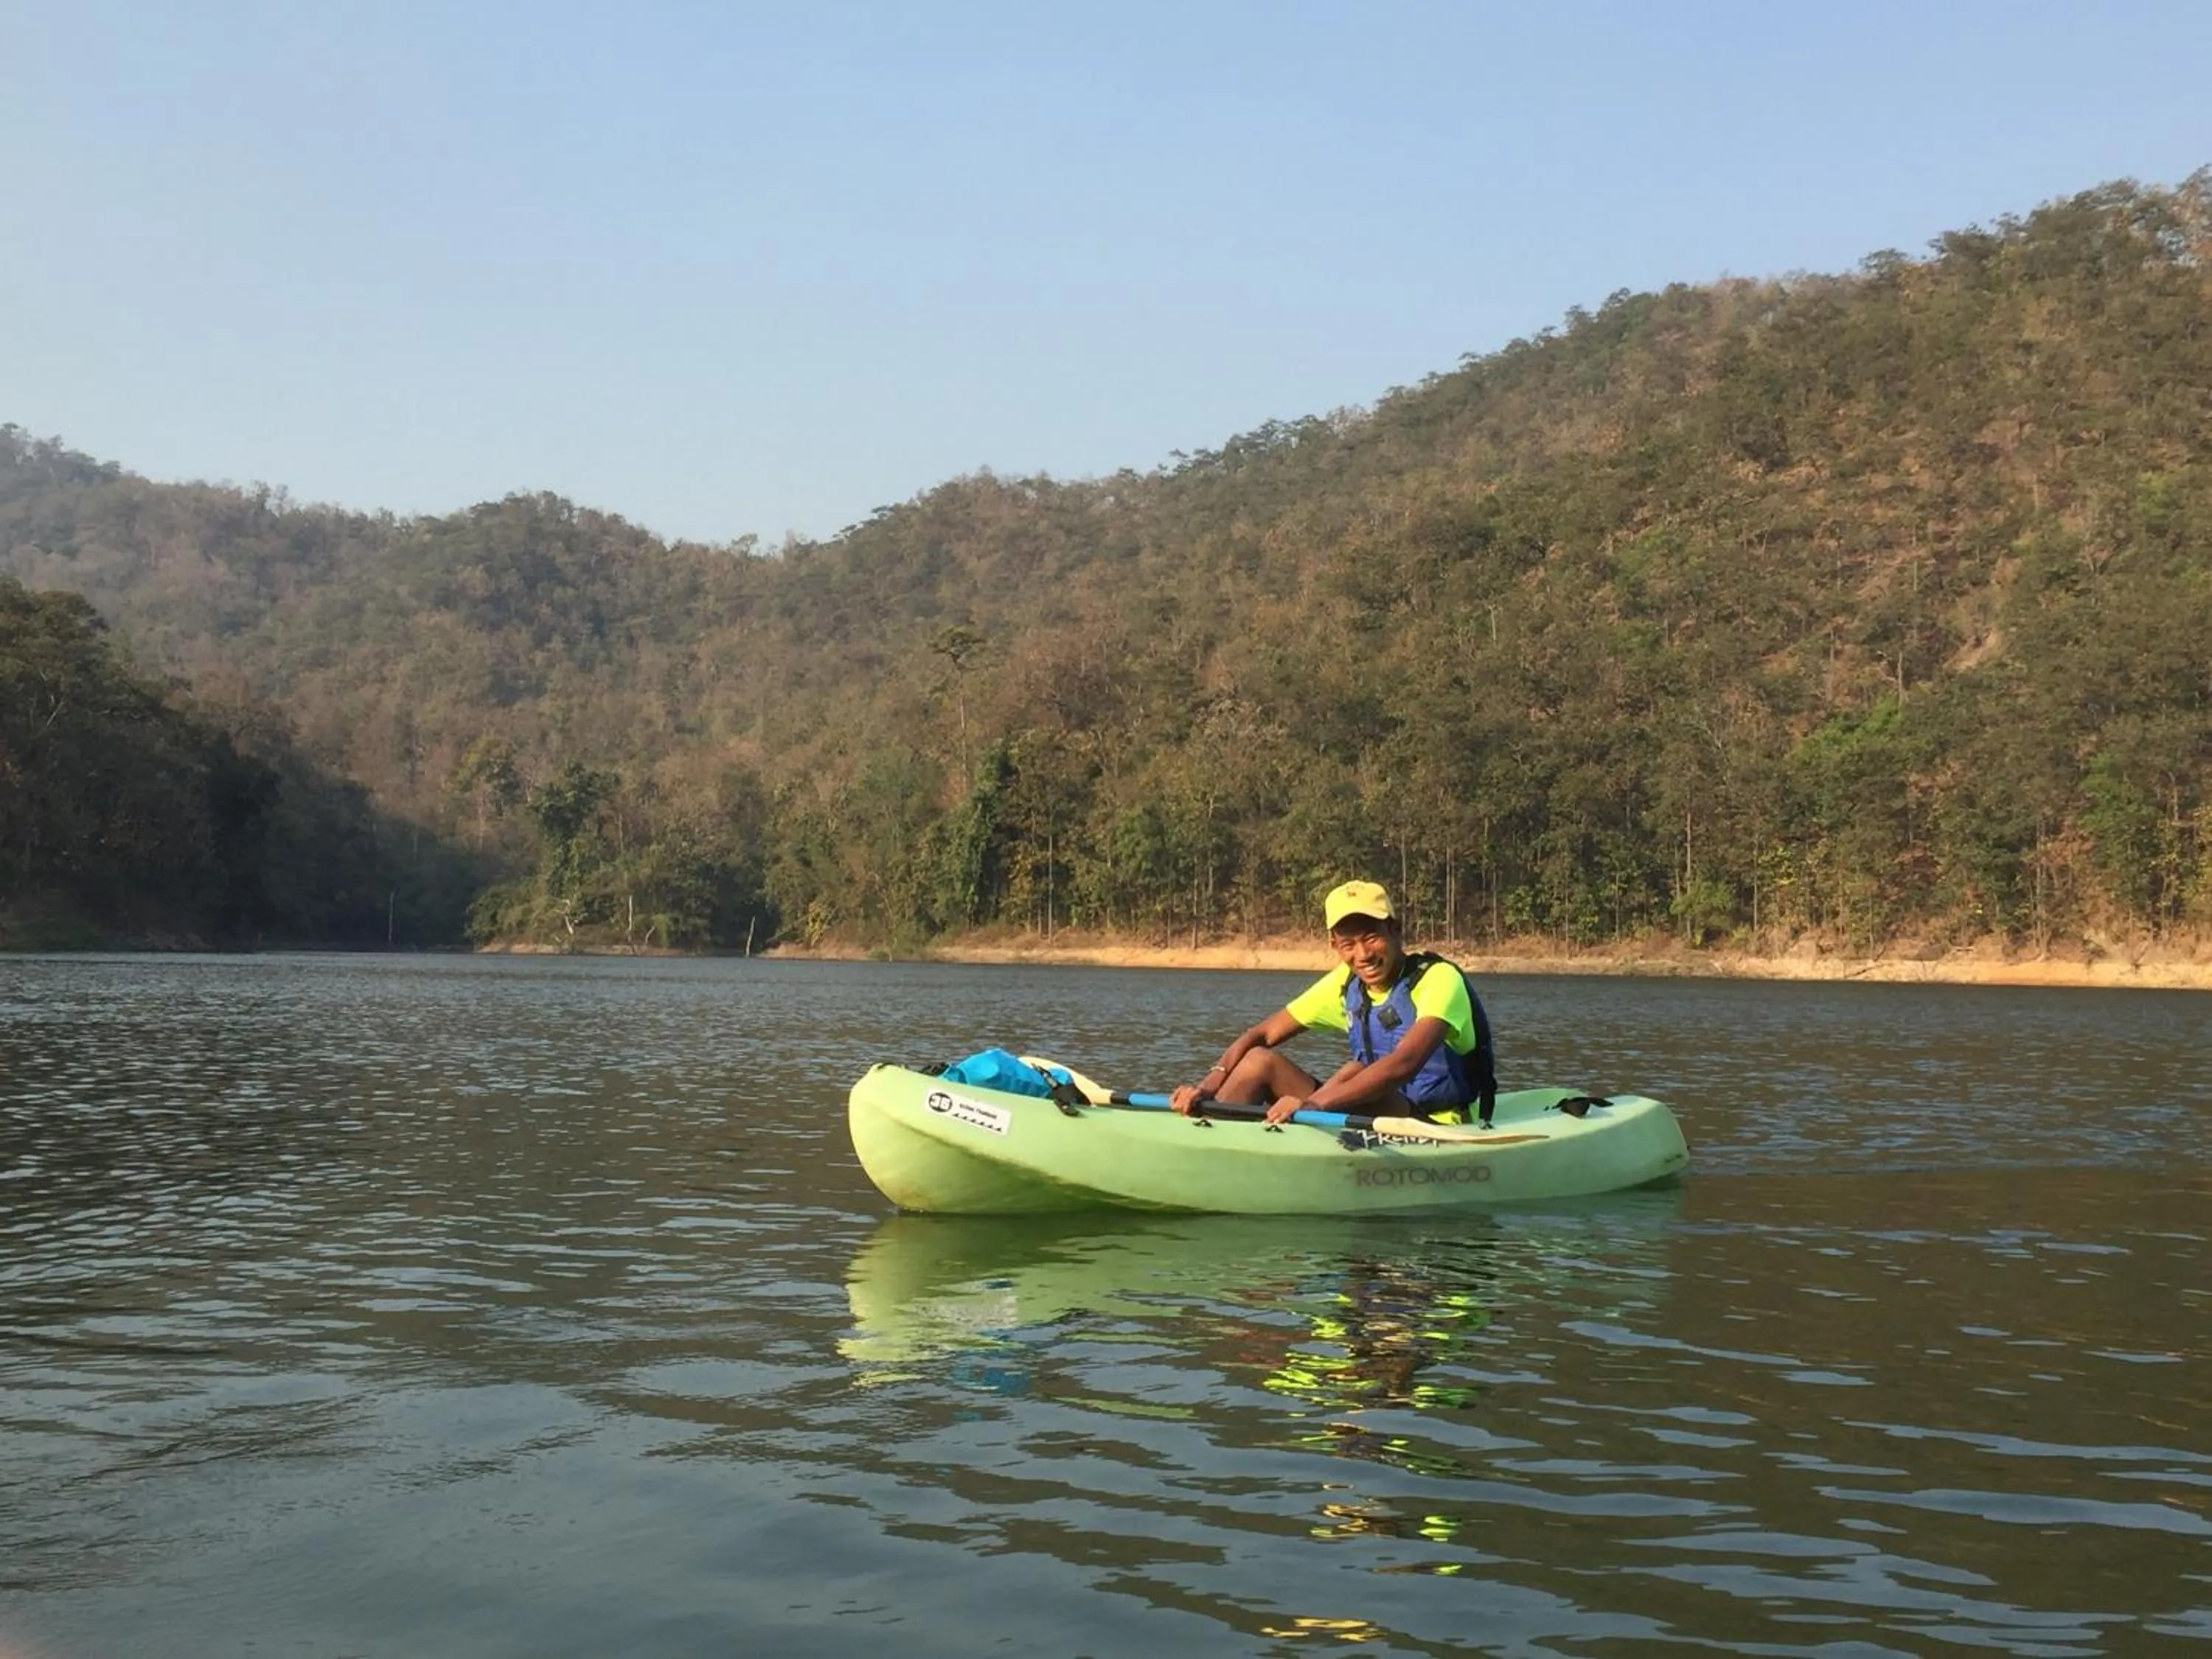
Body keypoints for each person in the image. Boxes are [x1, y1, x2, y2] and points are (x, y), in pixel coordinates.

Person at [1169, 880, 1498, 1127]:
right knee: (1258, 1061)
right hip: (1361, 1117)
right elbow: (1262, 1034)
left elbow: (1404, 1064)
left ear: (1396, 930)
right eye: (1348, 944)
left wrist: (1314, 1106)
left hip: (1434, 1126)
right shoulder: (1345, 983)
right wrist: (1207, 1088)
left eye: (1372, 938)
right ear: (1334, 945)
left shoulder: (1438, 979)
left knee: (1354, 1070)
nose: (1363, 955)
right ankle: (1213, 1135)